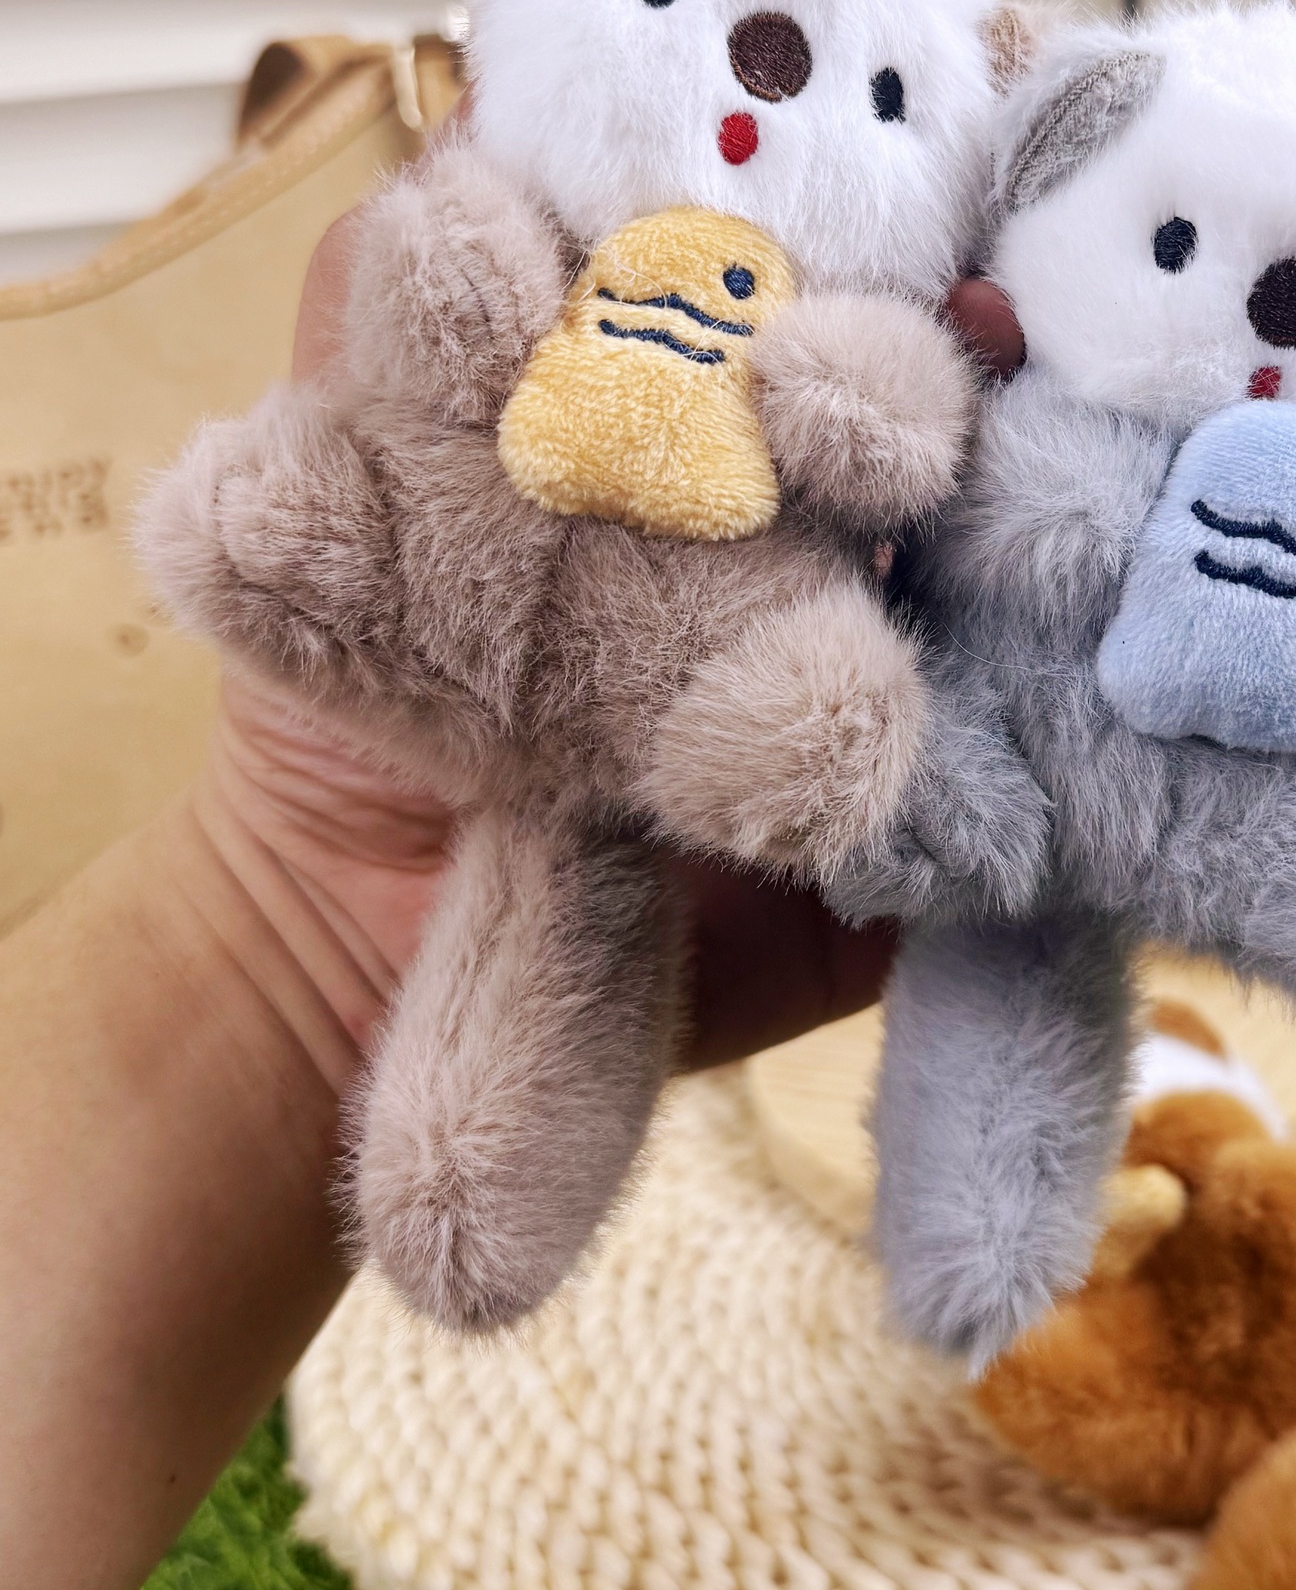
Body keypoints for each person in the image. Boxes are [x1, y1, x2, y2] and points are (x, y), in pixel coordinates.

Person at [0, 210, 1022, 1590]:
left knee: (834, 731)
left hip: (749, 674)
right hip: (562, 696)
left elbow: (886, 424)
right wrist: (284, 882)